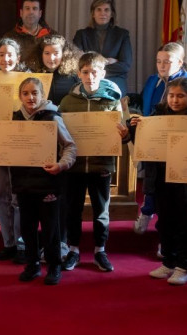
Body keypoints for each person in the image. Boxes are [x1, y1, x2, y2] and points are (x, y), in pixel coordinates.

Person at [0, 78, 76, 285]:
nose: (30, 97)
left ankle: (53, 266)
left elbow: (70, 147)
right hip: (23, 184)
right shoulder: (14, 119)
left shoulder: (52, 117)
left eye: (34, 93)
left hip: (48, 183)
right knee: (27, 227)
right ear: (20, 96)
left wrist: (61, 165)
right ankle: (32, 264)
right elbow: (3, 148)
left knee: (51, 228)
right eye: (25, 93)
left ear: (42, 94)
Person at [127, 77, 187, 286]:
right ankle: (169, 262)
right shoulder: (157, 114)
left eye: (180, 96)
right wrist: (136, 129)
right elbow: (145, 145)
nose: (175, 100)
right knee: (165, 223)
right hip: (161, 178)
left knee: (185, 224)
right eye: (171, 95)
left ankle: (183, 266)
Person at [59, 52, 127, 272]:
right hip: (74, 166)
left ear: (103, 73)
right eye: (85, 72)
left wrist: (123, 133)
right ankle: (74, 250)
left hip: (102, 165)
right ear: (79, 73)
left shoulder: (113, 99)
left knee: (101, 210)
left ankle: (100, 250)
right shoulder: (68, 101)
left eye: (94, 72)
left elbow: (122, 134)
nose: (90, 76)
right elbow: (60, 133)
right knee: (73, 208)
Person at [134, 42, 187, 234]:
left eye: (167, 62)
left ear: (180, 62)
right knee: (153, 182)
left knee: (176, 197)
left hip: (182, 150)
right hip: (156, 143)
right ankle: (148, 212)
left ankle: (160, 222)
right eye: (159, 61)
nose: (162, 65)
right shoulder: (153, 80)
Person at [0, 38, 27, 263]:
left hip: (21, 144)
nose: (6, 59)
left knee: (18, 197)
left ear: (18, 58)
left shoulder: (30, 82)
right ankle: (8, 243)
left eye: (10, 54)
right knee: (1, 196)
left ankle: (22, 244)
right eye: (1, 55)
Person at [72, 0, 133, 96]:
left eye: (106, 10)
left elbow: (125, 66)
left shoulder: (122, 34)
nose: (102, 13)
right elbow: (76, 62)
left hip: (114, 80)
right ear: (93, 13)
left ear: (112, 13)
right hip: (88, 80)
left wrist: (92, 67)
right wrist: (106, 62)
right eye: (98, 10)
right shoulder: (81, 34)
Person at [2, 0, 54, 71]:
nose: (31, 12)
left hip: (46, 79)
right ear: (21, 13)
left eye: (34, 8)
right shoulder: (9, 37)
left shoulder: (52, 36)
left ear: (40, 13)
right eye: (27, 8)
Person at [34, 34, 81, 105]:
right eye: (47, 53)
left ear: (64, 54)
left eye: (56, 53)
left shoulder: (73, 76)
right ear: (41, 54)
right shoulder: (33, 75)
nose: (51, 58)